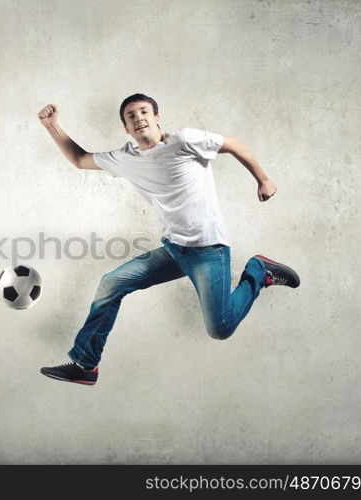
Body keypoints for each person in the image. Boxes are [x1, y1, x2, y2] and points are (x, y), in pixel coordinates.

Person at [37, 93, 300, 386]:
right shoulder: (126, 159)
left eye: (144, 111)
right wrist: (51, 126)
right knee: (111, 283)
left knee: (220, 329)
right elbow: (79, 159)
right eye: (131, 116)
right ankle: (86, 365)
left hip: (209, 250)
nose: (139, 118)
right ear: (126, 128)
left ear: (157, 117)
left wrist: (263, 179)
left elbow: (235, 145)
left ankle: (258, 272)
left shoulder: (185, 141)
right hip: (174, 250)